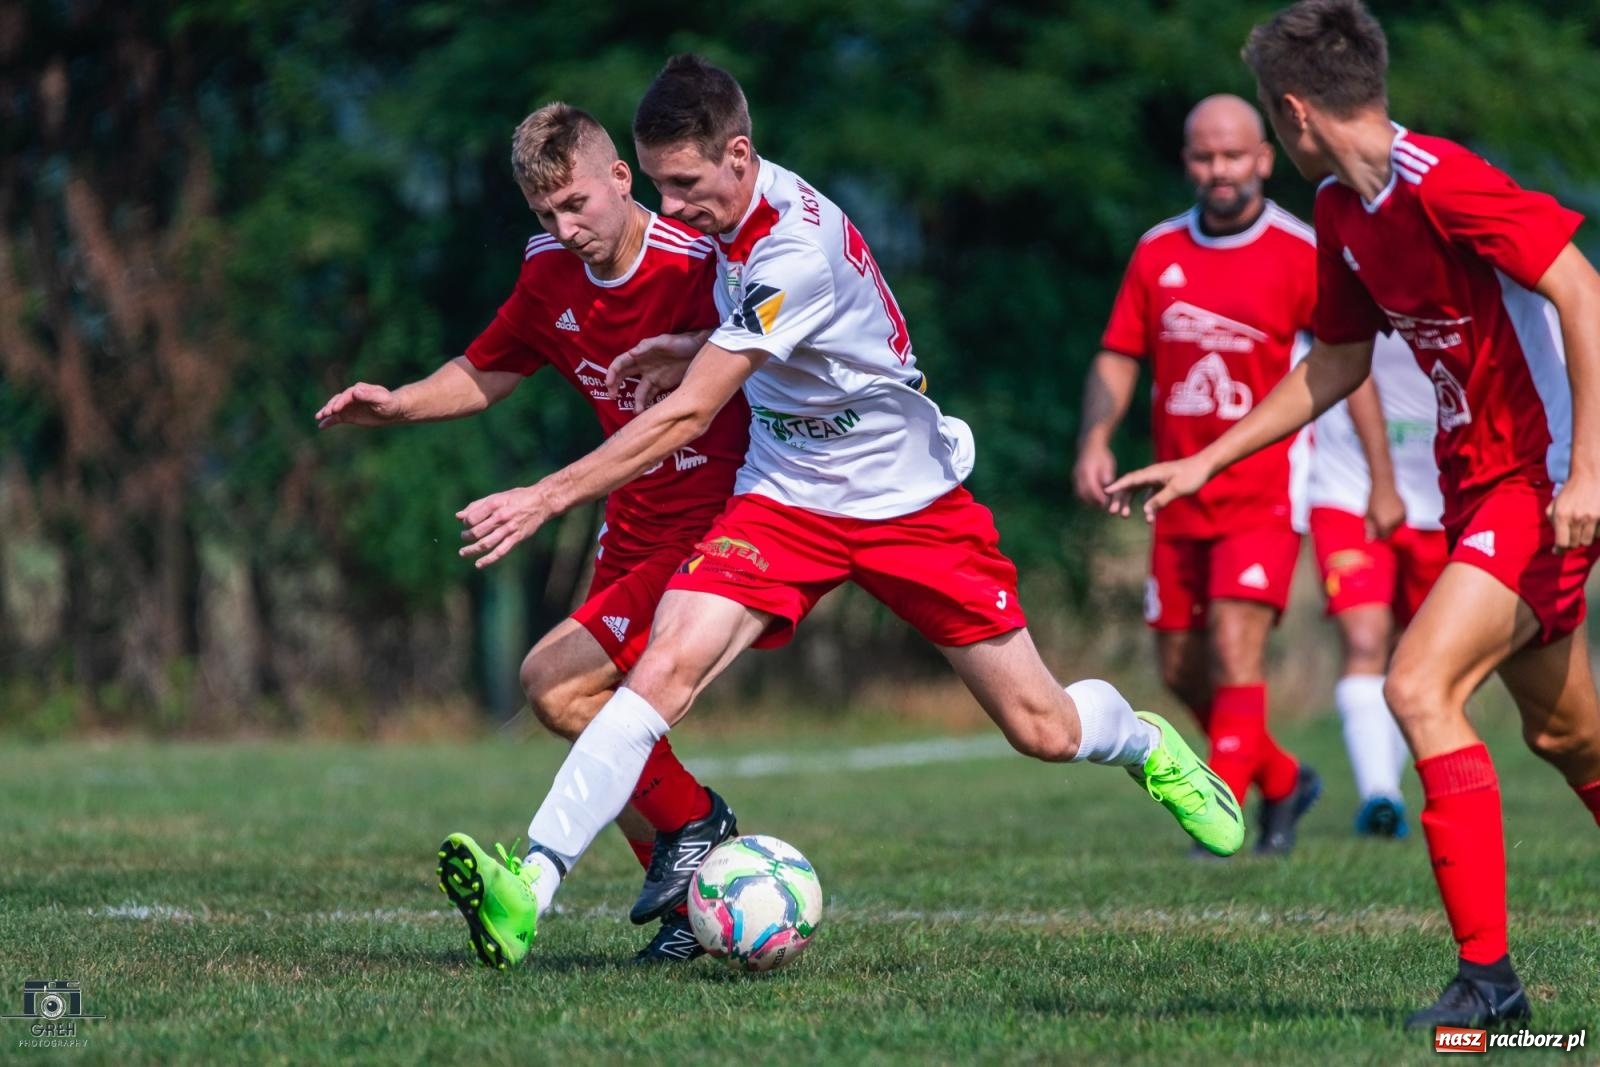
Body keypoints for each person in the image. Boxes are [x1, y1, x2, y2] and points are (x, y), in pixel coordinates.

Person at [435, 53, 1248, 968]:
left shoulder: (791, 242)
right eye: (657, 184)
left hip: (909, 503)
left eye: (686, 184)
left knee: (1043, 728)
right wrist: (694, 338)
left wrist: (546, 494)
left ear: (739, 156)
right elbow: (768, 339)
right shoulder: (733, 225)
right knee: (662, 666)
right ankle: (528, 888)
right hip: (784, 498)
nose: (670, 209)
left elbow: (695, 412)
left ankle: (1145, 743)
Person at [1107, 0, 1600, 1028]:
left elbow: (1581, 289)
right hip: (1479, 484)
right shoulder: (1341, 210)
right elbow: (1333, 361)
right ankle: (1492, 983)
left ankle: (1491, 987)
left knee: (1417, 687)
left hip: (1538, 481)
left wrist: (1588, 465)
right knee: (1566, 737)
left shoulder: (1442, 181)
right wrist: (1207, 456)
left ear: (1290, 112)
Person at [315, 103, 751, 964]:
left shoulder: (704, 264)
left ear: (623, 179)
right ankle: (689, 898)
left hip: (717, 523)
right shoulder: (550, 269)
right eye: (545, 213)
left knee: (553, 685)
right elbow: (491, 366)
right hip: (628, 518)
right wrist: (401, 402)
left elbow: (780, 344)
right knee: (593, 712)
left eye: (578, 204)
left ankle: (699, 828)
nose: (566, 228)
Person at [1075, 94, 1321, 856]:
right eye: (1204, 156)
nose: (1219, 169)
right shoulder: (1157, 251)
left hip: (1266, 489)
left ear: (1264, 160)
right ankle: (1282, 778)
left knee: (1234, 651)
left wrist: (1378, 477)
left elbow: (1350, 366)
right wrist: (1096, 438)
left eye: (1233, 155)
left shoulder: (1301, 249)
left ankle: (1220, 801)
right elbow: (1120, 351)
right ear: (1188, 161)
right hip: (1173, 492)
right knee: (1179, 664)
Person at [1305, 332, 1446, 838]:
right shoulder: (1362, 267)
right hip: (1351, 490)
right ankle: (1380, 795)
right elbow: (1348, 365)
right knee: (1365, 639)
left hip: (1446, 497)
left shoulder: (1495, 278)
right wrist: (1382, 482)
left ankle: (1402, 789)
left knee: (1421, 656)